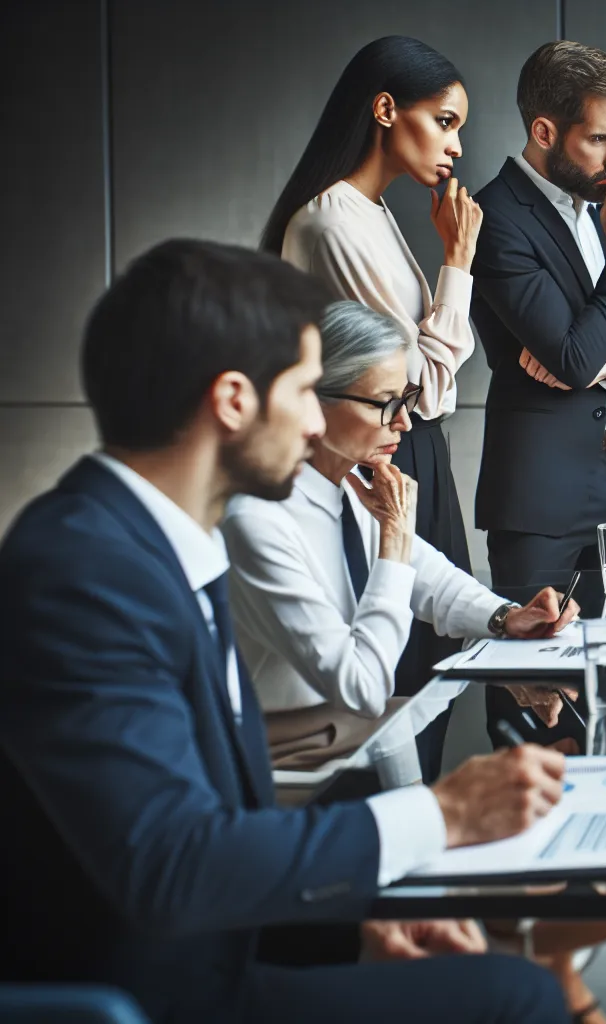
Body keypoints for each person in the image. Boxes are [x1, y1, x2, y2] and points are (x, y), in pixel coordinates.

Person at [0, 239, 568, 1024]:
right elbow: (173, 867)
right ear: (234, 401)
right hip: (161, 990)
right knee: (519, 994)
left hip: (223, 942)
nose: (314, 423)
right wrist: (444, 815)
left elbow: (213, 828)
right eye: (306, 390)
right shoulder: (81, 571)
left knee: (508, 979)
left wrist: (361, 916)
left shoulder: (151, 545)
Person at [221, 302, 581, 780]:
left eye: (407, 399)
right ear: (313, 400)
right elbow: (363, 686)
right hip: (291, 776)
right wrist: (394, 534)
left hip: (359, 744)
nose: (405, 423)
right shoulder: (257, 519)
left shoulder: (343, 486)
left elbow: (425, 574)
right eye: (385, 403)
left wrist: (507, 618)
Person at [262, 35, 484, 743]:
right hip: (387, 452)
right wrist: (457, 265)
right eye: (445, 121)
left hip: (411, 450)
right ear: (386, 109)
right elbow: (422, 386)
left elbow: (425, 380)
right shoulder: (330, 220)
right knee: (406, 678)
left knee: (434, 664)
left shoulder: (373, 212)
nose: (456, 146)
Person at [470, 40, 606, 744]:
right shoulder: (495, 218)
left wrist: (604, 367)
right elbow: (568, 353)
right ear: (544, 132)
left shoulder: (605, 205)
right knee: (532, 695)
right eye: (599, 138)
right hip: (541, 493)